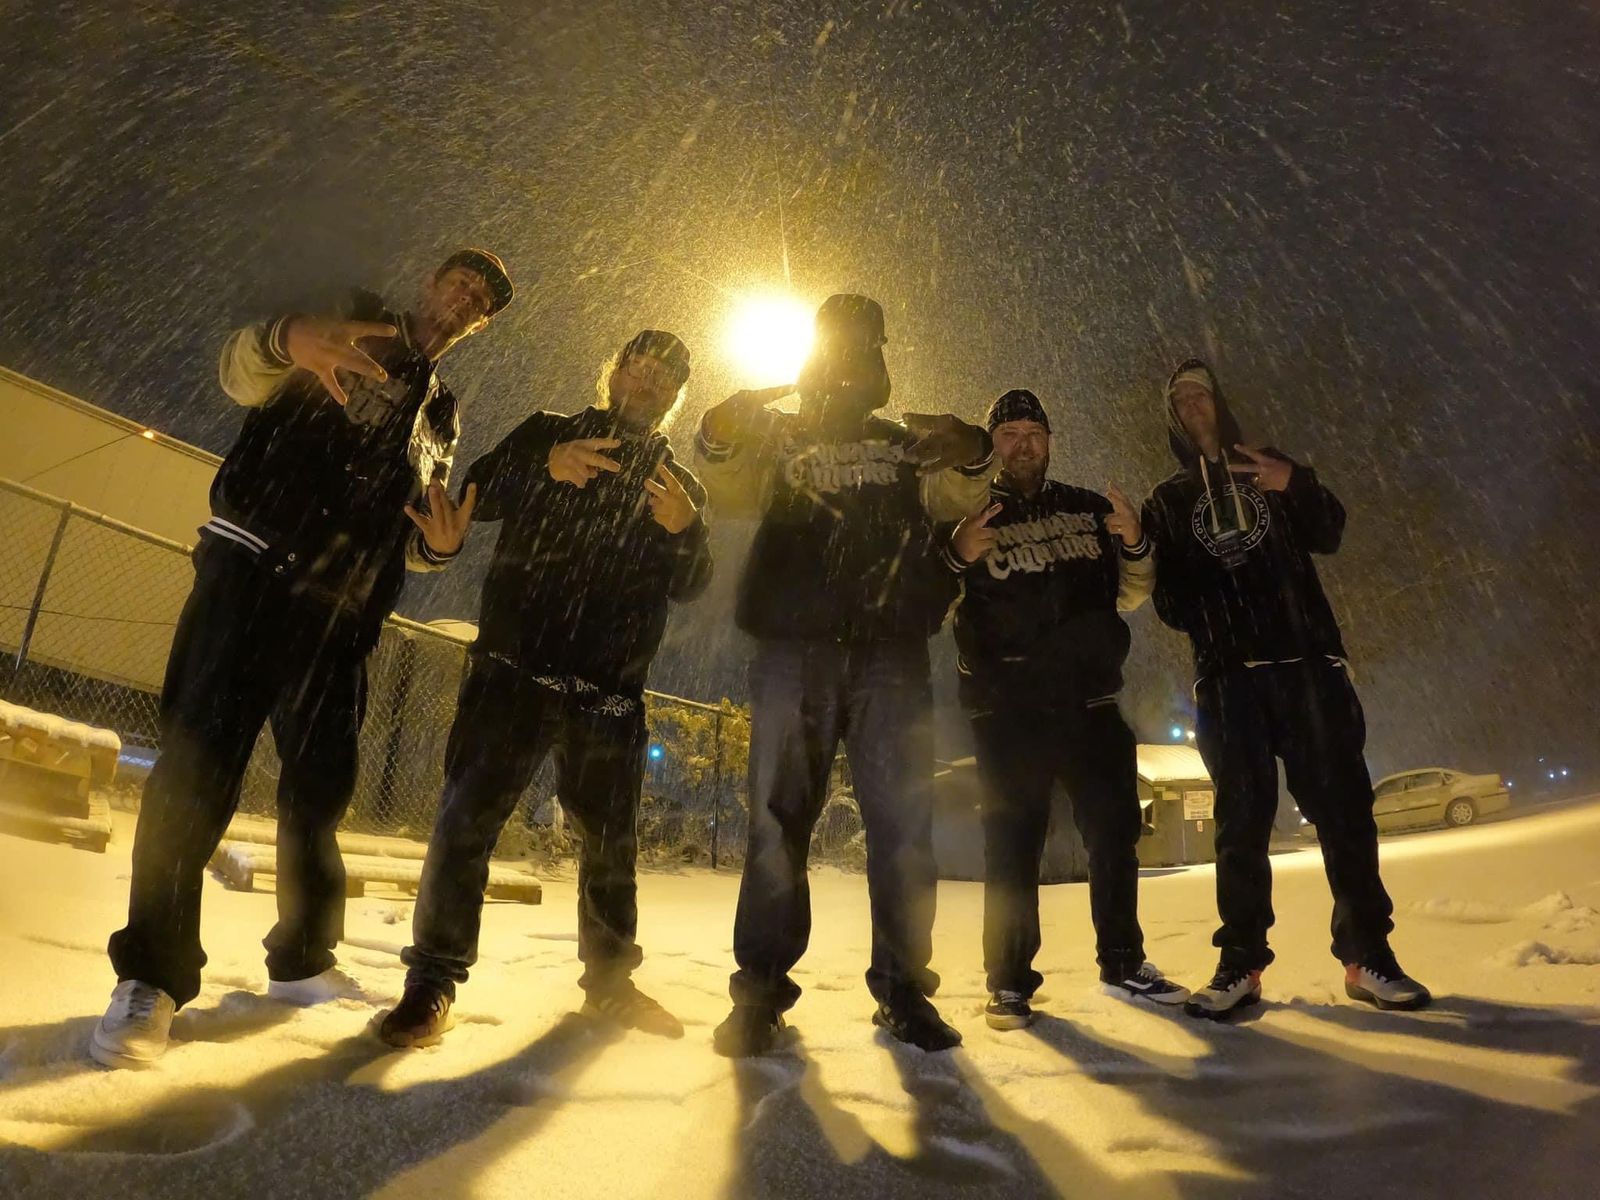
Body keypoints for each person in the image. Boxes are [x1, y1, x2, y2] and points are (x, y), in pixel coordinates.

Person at [93, 249, 514, 1068]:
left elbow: (406, 523)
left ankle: (302, 960)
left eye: (481, 301)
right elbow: (239, 370)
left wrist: (437, 549)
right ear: (429, 281)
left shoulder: (442, 411)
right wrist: (285, 337)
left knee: (320, 791)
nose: (465, 300)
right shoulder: (347, 309)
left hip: (344, 612)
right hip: (254, 569)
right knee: (196, 772)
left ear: (481, 325)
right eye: (459, 282)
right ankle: (151, 975)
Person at [378, 330, 712, 1048]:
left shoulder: (679, 482)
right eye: (638, 367)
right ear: (613, 372)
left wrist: (686, 530)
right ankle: (432, 982)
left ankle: (611, 984)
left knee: (610, 845)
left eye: (663, 379)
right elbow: (477, 494)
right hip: (513, 670)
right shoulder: (547, 431)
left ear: (674, 397)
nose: (647, 383)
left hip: (611, 693)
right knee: (466, 823)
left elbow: (692, 585)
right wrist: (545, 467)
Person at [697, 293, 995, 1057]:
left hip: (892, 653)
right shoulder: (780, 436)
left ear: (880, 355)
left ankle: (904, 992)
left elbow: (967, 492)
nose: (849, 357)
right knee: (775, 823)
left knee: (904, 831)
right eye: (837, 341)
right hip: (791, 649)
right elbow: (725, 488)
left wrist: (972, 446)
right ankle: (759, 993)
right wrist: (721, 430)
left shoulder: (906, 446)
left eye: (865, 344)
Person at [1141, 358, 1430, 1018]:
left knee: (1345, 814)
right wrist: (1173, 561)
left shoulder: (1266, 463)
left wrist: (1294, 481)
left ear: (1220, 401)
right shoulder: (1169, 500)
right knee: (1239, 828)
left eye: (1201, 393)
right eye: (1180, 399)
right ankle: (1240, 964)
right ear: (1172, 418)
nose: (1192, 404)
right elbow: (1171, 607)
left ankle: (1368, 957)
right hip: (1228, 681)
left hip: (1307, 667)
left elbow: (1329, 531)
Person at [944, 389, 1188, 1030]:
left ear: (1050, 441)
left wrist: (1134, 542)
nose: (1023, 444)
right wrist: (953, 555)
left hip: (1091, 703)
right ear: (992, 444)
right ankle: (1008, 981)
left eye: (1034, 432)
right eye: (1009, 434)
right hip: (1006, 710)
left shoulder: (1087, 510)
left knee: (1115, 834)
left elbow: (1131, 594)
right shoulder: (969, 513)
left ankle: (1123, 961)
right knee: (1012, 846)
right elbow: (934, 600)